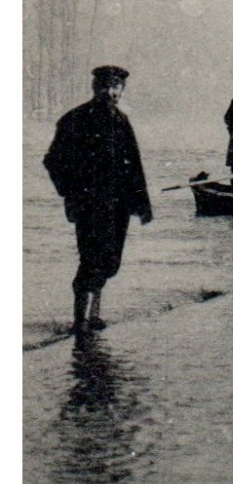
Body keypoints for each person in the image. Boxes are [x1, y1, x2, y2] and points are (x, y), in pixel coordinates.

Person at [42, 65, 154, 335]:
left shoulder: (122, 121)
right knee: (91, 258)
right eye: (105, 86)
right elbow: (53, 160)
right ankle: (79, 319)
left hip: (119, 204)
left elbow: (134, 165)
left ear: (122, 90)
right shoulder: (75, 119)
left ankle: (95, 315)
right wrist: (72, 192)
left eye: (116, 87)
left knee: (111, 261)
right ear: (95, 88)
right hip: (89, 204)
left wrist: (142, 204)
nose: (110, 92)